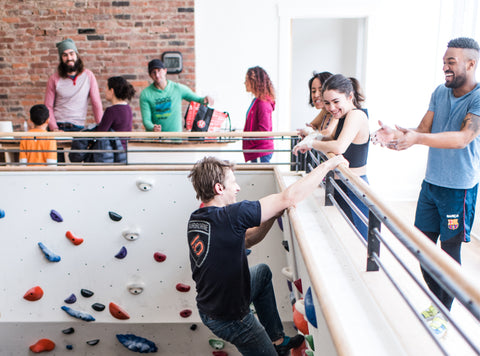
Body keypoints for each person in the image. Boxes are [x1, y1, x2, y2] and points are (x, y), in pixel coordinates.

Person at [372, 37, 480, 337]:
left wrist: (417, 139)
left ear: (471, 64)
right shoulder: (439, 92)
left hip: (458, 190)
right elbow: (422, 130)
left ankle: (442, 314)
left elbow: (462, 139)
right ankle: (437, 302)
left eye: (451, 62)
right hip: (431, 186)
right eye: (444, 61)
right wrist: (398, 135)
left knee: (449, 255)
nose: (444, 66)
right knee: (419, 247)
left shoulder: (478, 98)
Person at [187, 155, 347, 355]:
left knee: (262, 273)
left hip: (211, 307)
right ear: (219, 188)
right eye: (233, 183)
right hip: (231, 318)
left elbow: (247, 240)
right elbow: (289, 197)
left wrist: (272, 214)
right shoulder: (231, 216)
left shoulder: (198, 219)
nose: (237, 188)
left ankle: (277, 340)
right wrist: (329, 164)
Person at [293, 74, 370, 240]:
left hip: (355, 185)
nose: (331, 107)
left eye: (336, 101)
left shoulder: (356, 115)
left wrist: (311, 143)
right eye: (327, 103)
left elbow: (339, 146)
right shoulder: (343, 116)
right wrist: (311, 139)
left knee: (359, 240)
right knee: (343, 236)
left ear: (350, 96)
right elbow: (328, 137)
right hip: (341, 183)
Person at [44, 38, 103, 132]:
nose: (69, 58)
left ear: (77, 55)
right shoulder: (54, 78)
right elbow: (48, 106)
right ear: (61, 58)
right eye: (65, 55)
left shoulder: (88, 76)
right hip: (59, 126)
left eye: (72, 53)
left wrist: (101, 128)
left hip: (79, 127)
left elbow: (96, 103)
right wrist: (54, 128)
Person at [140, 59, 213, 132]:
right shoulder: (145, 94)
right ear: (150, 75)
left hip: (175, 139)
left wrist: (205, 100)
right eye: (153, 72)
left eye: (159, 70)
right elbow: (146, 120)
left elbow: (198, 100)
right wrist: (153, 127)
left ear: (165, 71)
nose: (157, 75)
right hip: (155, 140)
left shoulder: (177, 88)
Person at [243, 66, 275, 163]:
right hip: (256, 149)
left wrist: (251, 141)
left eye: (246, 80)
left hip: (260, 151)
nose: (244, 83)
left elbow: (264, 130)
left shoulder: (262, 104)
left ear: (254, 82)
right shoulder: (256, 101)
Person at [95, 76, 135, 150]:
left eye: (106, 88)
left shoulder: (111, 111)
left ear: (112, 91)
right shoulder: (128, 108)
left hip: (113, 152)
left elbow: (100, 133)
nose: (105, 91)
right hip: (124, 150)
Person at [298, 71, 337, 138]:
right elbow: (311, 126)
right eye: (313, 91)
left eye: (321, 90)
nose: (316, 95)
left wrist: (310, 132)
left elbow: (327, 134)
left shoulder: (337, 112)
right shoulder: (324, 111)